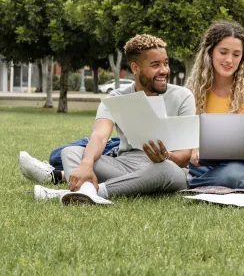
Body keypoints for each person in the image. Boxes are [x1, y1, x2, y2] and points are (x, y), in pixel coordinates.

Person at [29, 34, 195, 205]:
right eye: (155, 65)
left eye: (166, 63)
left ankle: (90, 192)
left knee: (165, 169)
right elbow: (100, 136)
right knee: (71, 152)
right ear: (135, 68)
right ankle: (87, 192)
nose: (164, 70)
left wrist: (165, 156)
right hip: (124, 166)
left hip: (167, 168)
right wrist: (86, 163)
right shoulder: (117, 97)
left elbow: (184, 156)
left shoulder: (183, 96)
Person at [184, 21, 244, 189]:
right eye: (223, 52)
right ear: (210, 52)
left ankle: (188, 183)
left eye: (236, 54)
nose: (229, 60)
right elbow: (183, 139)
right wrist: (191, 154)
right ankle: (198, 179)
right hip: (202, 166)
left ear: (243, 58)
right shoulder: (193, 91)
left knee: (235, 175)